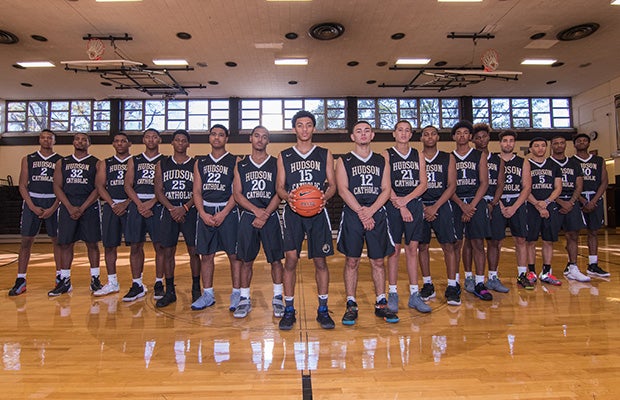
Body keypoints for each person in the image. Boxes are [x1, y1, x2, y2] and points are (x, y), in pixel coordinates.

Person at [276, 110, 337, 330]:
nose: (304, 129)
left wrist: (324, 196)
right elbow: (280, 187)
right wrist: (288, 198)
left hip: (318, 212)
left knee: (321, 261)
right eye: (300, 125)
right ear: (294, 129)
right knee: (290, 260)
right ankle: (289, 309)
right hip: (293, 212)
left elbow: (332, 184)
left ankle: (322, 309)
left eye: (308, 125)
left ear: (313, 128)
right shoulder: (285, 155)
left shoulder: (324, 153)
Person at [338, 121, 399, 325]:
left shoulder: (382, 161)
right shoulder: (344, 160)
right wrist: (361, 213)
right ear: (352, 137)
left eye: (366, 131)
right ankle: (351, 304)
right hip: (353, 213)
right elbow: (343, 189)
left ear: (372, 135)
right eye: (358, 131)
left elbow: (386, 189)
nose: (363, 134)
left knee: (378, 261)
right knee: (352, 261)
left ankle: (381, 303)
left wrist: (371, 211)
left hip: (377, 213)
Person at [232, 126, 285, 318]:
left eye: (264, 137)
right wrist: (256, 212)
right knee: (246, 260)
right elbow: (237, 194)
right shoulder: (241, 165)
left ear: (268, 141)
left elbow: (280, 191)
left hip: (270, 217)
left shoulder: (276, 163)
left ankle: (278, 297)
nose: (260, 140)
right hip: (248, 217)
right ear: (250, 138)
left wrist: (265, 213)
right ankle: (244, 298)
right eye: (257, 136)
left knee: (276, 260)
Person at [191, 124, 242, 311]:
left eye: (221, 135)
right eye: (214, 134)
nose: (217, 138)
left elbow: (237, 191)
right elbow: (196, 191)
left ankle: (236, 293)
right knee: (206, 255)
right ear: (209, 138)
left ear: (226, 138)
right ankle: (208, 294)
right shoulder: (200, 162)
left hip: (227, 212)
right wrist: (203, 213)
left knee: (234, 255)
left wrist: (224, 212)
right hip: (206, 211)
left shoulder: (235, 161)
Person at [382, 120, 430, 313]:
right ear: (394, 133)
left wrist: (406, 201)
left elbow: (423, 184)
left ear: (411, 135)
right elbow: (385, 184)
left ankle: (414, 294)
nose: (403, 133)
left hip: (413, 203)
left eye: (407, 130)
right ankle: (392, 293)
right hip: (393, 204)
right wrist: (399, 204)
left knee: (413, 249)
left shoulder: (417, 154)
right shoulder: (387, 154)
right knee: (394, 249)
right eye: (400, 130)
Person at [10, 129, 62, 296]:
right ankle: (21, 279)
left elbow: (61, 187)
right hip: (33, 201)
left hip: (53, 201)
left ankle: (60, 277)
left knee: (58, 242)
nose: (46, 140)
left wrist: (53, 207)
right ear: (39, 139)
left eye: (50, 138)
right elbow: (22, 185)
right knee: (26, 241)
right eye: (43, 137)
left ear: (54, 141)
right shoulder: (29, 159)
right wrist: (32, 206)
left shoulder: (60, 160)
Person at [49, 133, 101, 296]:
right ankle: (65, 280)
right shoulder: (62, 162)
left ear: (89, 143)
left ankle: (95, 279)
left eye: (84, 139)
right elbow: (57, 186)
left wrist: (83, 207)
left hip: (89, 206)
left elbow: (98, 188)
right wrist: (70, 207)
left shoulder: (96, 163)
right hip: (67, 205)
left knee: (92, 244)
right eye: (77, 139)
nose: (80, 141)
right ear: (73, 142)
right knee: (65, 244)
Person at [154, 129, 200, 307]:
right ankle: (170, 290)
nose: (180, 143)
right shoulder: (162, 164)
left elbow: (198, 190)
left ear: (188, 144)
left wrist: (185, 207)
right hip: (169, 210)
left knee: (194, 251)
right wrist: (172, 208)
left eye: (183, 141)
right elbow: (158, 191)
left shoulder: (195, 164)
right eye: (177, 140)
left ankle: (196, 289)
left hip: (190, 210)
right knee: (167, 252)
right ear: (172, 143)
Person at [450, 120, 492, 301]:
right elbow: (448, 185)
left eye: (465, 133)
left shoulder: (478, 155)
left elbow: (484, 183)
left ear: (470, 136)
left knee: (477, 243)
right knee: (456, 244)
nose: (462, 136)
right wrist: (462, 205)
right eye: (458, 133)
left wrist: (472, 206)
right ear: (453, 137)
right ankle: (463, 279)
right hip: (455, 202)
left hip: (475, 203)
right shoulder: (449, 156)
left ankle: (480, 282)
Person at [418, 125, 460, 305]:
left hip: (441, 205)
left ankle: (452, 286)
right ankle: (427, 284)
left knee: (448, 246)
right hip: (420, 206)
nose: (429, 137)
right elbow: (411, 184)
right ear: (421, 138)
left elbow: (451, 185)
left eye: (433, 134)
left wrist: (435, 207)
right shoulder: (416, 157)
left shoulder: (447, 157)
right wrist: (423, 207)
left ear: (438, 137)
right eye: (426, 134)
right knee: (422, 246)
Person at [123, 128, 165, 302]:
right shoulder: (135, 160)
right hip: (138, 205)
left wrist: (153, 202)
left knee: (160, 246)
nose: (151, 139)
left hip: (156, 204)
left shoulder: (164, 161)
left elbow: (164, 187)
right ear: (143, 139)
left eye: (154, 137)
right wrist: (140, 204)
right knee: (135, 246)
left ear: (159, 140)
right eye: (148, 137)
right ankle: (137, 283)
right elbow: (127, 185)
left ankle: (158, 282)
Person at [470, 123, 509, 293]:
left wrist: (493, 203)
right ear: (473, 140)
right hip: (477, 202)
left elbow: (500, 184)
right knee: (474, 243)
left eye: (484, 136)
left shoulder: (497, 159)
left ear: (489, 138)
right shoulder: (470, 158)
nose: (481, 140)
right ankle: (472, 278)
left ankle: (493, 276)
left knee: (495, 242)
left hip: (493, 202)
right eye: (477, 137)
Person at [94, 132, 132, 297]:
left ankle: (137, 282)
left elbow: (138, 186)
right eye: (117, 141)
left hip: (130, 205)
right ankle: (112, 282)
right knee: (109, 245)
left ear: (129, 144)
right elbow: (100, 186)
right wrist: (113, 204)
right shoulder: (105, 163)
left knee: (136, 246)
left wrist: (126, 203)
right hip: (111, 206)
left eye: (123, 141)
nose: (120, 143)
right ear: (113, 144)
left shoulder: (135, 162)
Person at [549, 136, 590, 282]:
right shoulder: (547, 163)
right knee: (548, 238)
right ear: (551, 145)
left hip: (571, 202)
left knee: (573, 235)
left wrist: (571, 202)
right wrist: (559, 201)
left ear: (566, 145)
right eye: (556, 143)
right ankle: (547, 269)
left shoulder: (574, 163)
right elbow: (545, 187)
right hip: (553, 202)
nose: (559, 145)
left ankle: (573, 267)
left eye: (561, 143)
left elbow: (579, 185)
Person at [495, 131, 532, 289]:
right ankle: (493, 274)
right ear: (500, 143)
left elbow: (527, 187)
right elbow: (491, 185)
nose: (508, 143)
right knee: (496, 241)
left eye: (511, 141)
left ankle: (522, 274)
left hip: (517, 202)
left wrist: (515, 206)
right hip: (499, 203)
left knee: (520, 240)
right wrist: (500, 204)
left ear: (514, 143)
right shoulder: (494, 161)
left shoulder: (522, 162)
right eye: (505, 141)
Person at [526, 137, 563, 286]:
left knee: (548, 241)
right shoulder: (526, 164)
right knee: (531, 241)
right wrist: (537, 204)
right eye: (536, 145)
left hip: (549, 207)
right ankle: (531, 272)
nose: (540, 148)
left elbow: (558, 188)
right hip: (531, 206)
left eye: (543, 145)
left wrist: (546, 203)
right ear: (530, 149)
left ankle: (547, 272)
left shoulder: (554, 165)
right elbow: (524, 188)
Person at [572, 133, 610, 277]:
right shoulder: (571, 161)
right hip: (577, 199)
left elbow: (604, 181)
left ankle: (593, 264)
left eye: (584, 141)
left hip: (594, 197)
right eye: (579, 141)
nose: (582, 142)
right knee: (573, 233)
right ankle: (571, 265)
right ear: (574, 144)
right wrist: (581, 200)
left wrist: (593, 200)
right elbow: (568, 183)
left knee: (593, 232)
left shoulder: (599, 160)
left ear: (589, 143)